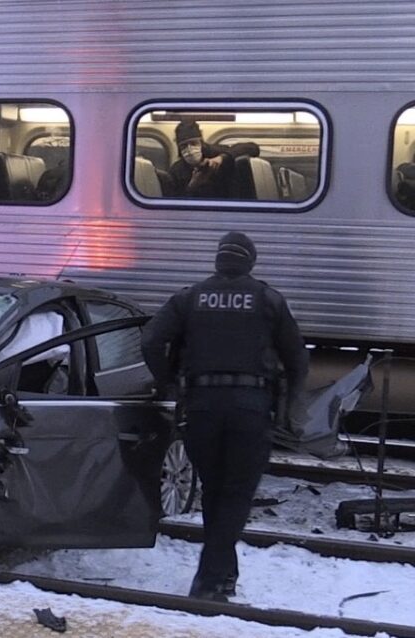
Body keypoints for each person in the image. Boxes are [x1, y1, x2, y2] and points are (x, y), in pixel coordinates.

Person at [140, 231, 308, 602]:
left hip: (201, 406)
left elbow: (150, 340)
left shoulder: (189, 298)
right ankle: (208, 581)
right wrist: (289, 409)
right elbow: (297, 359)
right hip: (250, 408)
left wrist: (169, 383)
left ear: (218, 260)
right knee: (236, 495)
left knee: (216, 491)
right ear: (250, 263)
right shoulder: (268, 300)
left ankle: (224, 576)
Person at [167, 119, 259, 198]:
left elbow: (253, 148)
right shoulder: (176, 171)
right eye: (184, 146)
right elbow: (174, 203)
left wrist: (222, 158)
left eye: (193, 143)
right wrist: (192, 186)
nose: (190, 149)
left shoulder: (215, 153)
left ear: (201, 142)